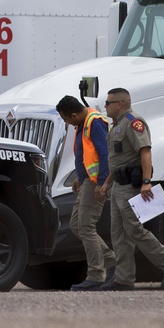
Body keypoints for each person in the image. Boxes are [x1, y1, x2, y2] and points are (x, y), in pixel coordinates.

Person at [96, 87, 164, 290]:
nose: (105, 106)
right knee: (118, 233)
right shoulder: (117, 125)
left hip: (131, 186)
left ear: (120, 104)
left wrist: (147, 182)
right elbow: (118, 160)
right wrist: (108, 183)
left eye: (108, 103)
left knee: (134, 230)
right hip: (118, 186)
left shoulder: (133, 122)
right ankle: (123, 279)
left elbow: (145, 152)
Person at [55, 95, 116, 291]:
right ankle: (111, 260)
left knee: (86, 227)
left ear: (73, 115)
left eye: (66, 119)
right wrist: (78, 177)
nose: (67, 123)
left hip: (95, 183)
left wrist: (101, 183)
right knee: (76, 224)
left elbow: (104, 154)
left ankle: (96, 275)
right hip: (86, 182)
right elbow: (86, 154)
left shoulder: (94, 122)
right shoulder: (83, 123)